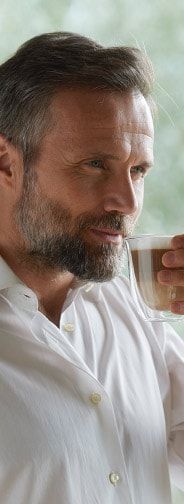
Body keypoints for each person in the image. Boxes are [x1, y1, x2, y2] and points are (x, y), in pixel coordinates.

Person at [0, 31, 183, 504]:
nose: (126, 202)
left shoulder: (137, 312)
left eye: (138, 170)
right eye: (95, 164)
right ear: (6, 162)